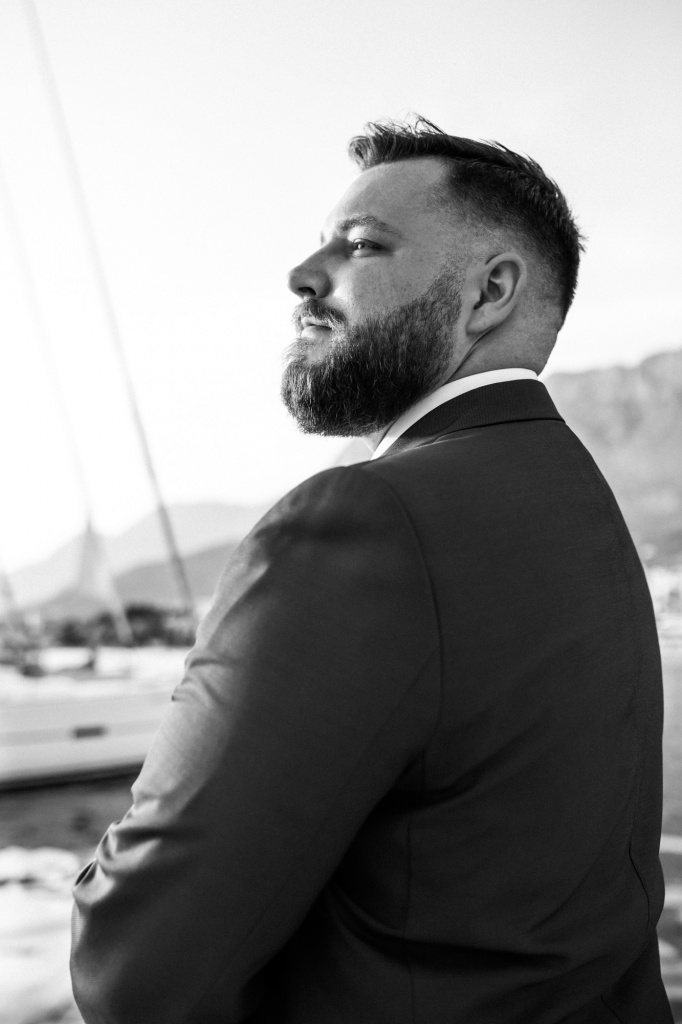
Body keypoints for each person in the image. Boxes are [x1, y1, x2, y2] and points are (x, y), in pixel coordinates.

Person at [70, 117, 672, 1024]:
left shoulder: (363, 522)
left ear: (490, 292)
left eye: (360, 245)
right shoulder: (581, 505)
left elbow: (136, 968)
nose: (302, 275)